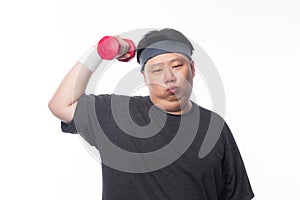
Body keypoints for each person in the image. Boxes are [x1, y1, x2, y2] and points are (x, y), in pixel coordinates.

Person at [48, 28, 254, 200]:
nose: (169, 77)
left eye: (177, 66)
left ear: (191, 68)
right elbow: (61, 105)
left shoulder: (214, 127)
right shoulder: (115, 114)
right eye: (156, 70)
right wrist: (98, 53)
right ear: (144, 77)